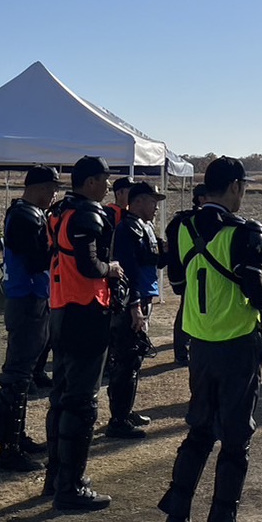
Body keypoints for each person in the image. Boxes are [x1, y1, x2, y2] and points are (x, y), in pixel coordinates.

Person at [158, 156, 262, 522]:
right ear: (236, 186)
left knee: (199, 430)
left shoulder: (181, 227)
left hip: (200, 343)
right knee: (236, 438)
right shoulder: (244, 232)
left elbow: (177, 282)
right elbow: (254, 289)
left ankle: (176, 515)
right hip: (237, 342)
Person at [44, 155, 124, 511]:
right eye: (105, 180)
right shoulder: (87, 214)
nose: (108, 186)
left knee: (62, 396)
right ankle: (70, 486)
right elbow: (89, 264)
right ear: (91, 181)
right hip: (85, 308)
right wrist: (112, 268)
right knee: (81, 401)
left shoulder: (62, 210)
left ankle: (58, 477)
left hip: (62, 306)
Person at [0, 165, 63, 472]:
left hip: (33, 297)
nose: (54, 195)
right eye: (52, 189)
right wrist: (60, 246)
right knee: (17, 376)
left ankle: (16, 437)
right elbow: (35, 260)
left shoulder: (30, 214)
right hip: (26, 298)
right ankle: (9, 448)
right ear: (39, 187)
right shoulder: (24, 216)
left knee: (24, 373)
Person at [106, 179, 165, 439]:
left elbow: (154, 261)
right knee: (126, 358)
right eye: (153, 201)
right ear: (138, 201)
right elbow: (127, 270)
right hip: (133, 302)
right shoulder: (127, 228)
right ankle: (118, 419)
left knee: (135, 358)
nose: (156, 207)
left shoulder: (146, 227)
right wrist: (134, 306)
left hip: (144, 297)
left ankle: (125, 410)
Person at [164, 183, 207, 367]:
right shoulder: (194, 220)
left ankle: (184, 349)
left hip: (189, 273)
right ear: (201, 199)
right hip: (191, 273)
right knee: (187, 312)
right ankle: (182, 351)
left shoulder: (181, 220)